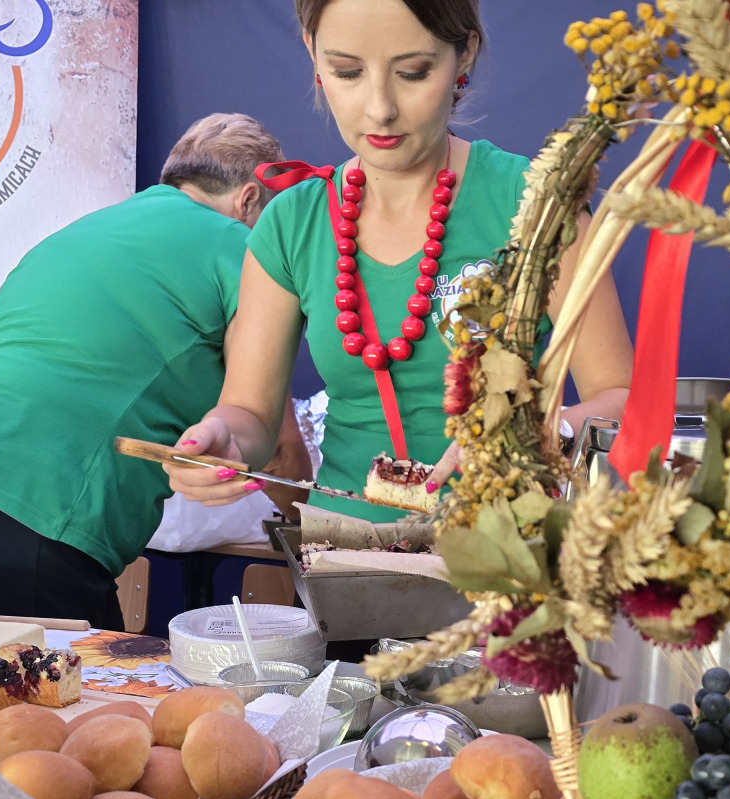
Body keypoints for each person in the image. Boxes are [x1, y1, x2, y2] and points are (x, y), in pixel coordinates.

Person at [162, 0, 633, 521]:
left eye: (413, 72)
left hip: (502, 551)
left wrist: (543, 429)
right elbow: (250, 413)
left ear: (465, 54)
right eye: (348, 72)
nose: (380, 108)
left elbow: (623, 399)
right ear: (313, 55)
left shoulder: (536, 203)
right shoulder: (292, 223)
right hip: (343, 553)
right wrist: (225, 438)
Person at [0, 114, 313, 628]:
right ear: (250, 199)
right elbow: (278, 450)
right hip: (39, 507)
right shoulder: (243, 247)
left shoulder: (92, 227)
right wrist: (313, 531)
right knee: (78, 679)